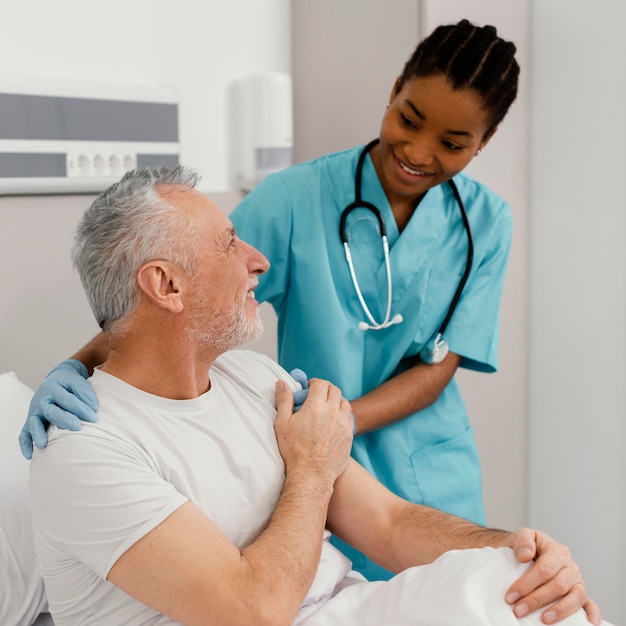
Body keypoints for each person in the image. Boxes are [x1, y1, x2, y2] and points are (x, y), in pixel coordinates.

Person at [17, 19, 535, 579]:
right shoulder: (294, 198)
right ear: (393, 91)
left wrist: (329, 427)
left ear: (484, 143)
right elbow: (175, 291)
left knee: (475, 585)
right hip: (316, 464)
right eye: (408, 119)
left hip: (422, 462)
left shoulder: (487, 222)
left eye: (453, 143)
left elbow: (437, 370)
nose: (417, 150)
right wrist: (76, 365)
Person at [28, 166, 607, 626]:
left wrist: (516, 551)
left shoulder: (254, 379)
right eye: (229, 244)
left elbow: (387, 522)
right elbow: (254, 613)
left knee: (532, 601)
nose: (258, 262)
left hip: (352, 608)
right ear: (167, 285)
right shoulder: (85, 451)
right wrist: (311, 468)